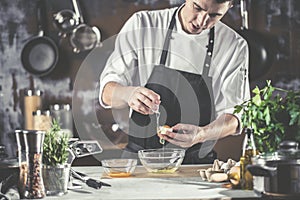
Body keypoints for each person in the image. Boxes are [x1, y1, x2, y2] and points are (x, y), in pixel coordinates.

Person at [99, 0, 250, 164]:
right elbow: (107, 92)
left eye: (214, 15)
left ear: (229, 7)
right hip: (139, 161)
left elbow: (237, 117)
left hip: (195, 164)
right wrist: (128, 94)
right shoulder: (144, 24)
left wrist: (201, 134)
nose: (201, 22)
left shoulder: (233, 45)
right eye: (197, 8)